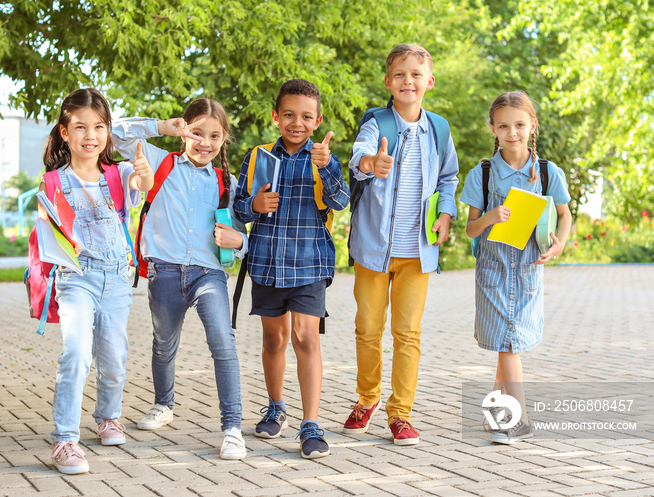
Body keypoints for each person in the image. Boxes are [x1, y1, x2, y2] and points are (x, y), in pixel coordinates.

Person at [111, 98, 249, 460]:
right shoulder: (161, 161)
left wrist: (240, 243)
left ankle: (232, 427)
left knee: (223, 342)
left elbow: (238, 237)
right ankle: (164, 404)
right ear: (183, 130)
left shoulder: (226, 182)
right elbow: (109, 134)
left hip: (208, 274)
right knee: (163, 345)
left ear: (224, 139)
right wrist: (160, 126)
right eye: (197, 132)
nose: (205, 142)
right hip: (165, 272)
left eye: (214, 135)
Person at [344, 44, 459, 445]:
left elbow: (449, 178)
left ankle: (401, 413)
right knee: (368, 330)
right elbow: (358, 154)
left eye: (416, 74)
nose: (407, 80)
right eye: (399, 74)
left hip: (418, 251)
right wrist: (370, 164)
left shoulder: (440, 130)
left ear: (429, 81)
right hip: (373, 247)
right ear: (388, 82)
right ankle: (367, 398)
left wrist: (446, 213)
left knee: (408, 334)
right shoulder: (377, 122)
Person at [233, 79, 350, 459]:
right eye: (289, 115)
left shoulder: (322, 159)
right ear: (276, 117)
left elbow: (342, 200)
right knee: (274, 341)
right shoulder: (257, 156)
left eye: (305, 116)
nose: (296, 123)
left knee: (306, 338)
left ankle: (311, 424)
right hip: (266, 262)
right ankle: (275, 406)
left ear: (316, 121)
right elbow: (237, 208)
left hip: (311, 262)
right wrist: (255, 204)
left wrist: (329, 165)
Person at [42, 88, 154, 474]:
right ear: (64, 132)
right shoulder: (52, 182)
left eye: (100, 127)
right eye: (81, 127)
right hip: (76, 279)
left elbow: (142, 184)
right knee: (76, 352)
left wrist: (144, 173)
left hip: (117, 279)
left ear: (108, 132)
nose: (91, 135)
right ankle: (65, 441)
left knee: (114, 359)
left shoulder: (120, 173)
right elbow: (46, 235)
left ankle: (108, 417)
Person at [460, 90, 572, 444]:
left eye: (520, 125)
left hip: (527, 270)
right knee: (506, 343)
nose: (512, 133)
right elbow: (471, 228)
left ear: (532, 126)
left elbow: (565, 214)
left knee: (508, 341)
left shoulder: (546, 171)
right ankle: (516, 419)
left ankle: (497, 413)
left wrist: (561, 242)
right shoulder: (483, 172)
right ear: (492, 129)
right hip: (493, 270)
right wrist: (492, 216)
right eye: (504, 126)